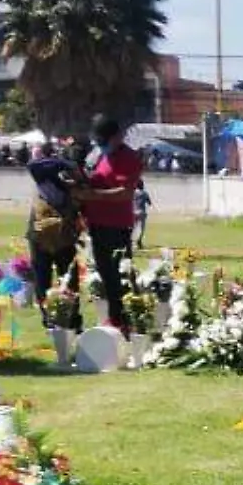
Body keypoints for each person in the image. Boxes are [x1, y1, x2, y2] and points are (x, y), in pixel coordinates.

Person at [77, 114, 142, 331]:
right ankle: (116, 319)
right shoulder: (99, 156)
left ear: (118, 136)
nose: (102, 145)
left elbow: (124, 194)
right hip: (97, 224)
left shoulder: (129, 158)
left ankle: (126, 320)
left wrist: (91, 195)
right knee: (106, 276)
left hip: (117, 226)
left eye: (105, 140)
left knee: (120, 276)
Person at [27, 144, 84, 333]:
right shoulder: (45, 178)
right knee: (42, 279)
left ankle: (72, 317)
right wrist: (66, 164)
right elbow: (33, 165)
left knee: (69, 279)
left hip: (65, 238)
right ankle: (48, 318)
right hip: (40, 236)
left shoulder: (78, 185)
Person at [133, 180, 152, 249]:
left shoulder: (133, 192)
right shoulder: (144, 193)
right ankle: (139, 241)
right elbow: (149, 203)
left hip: (133, 212)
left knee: (133, 228)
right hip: (141, 212)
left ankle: (131, 242)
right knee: (142, 228)